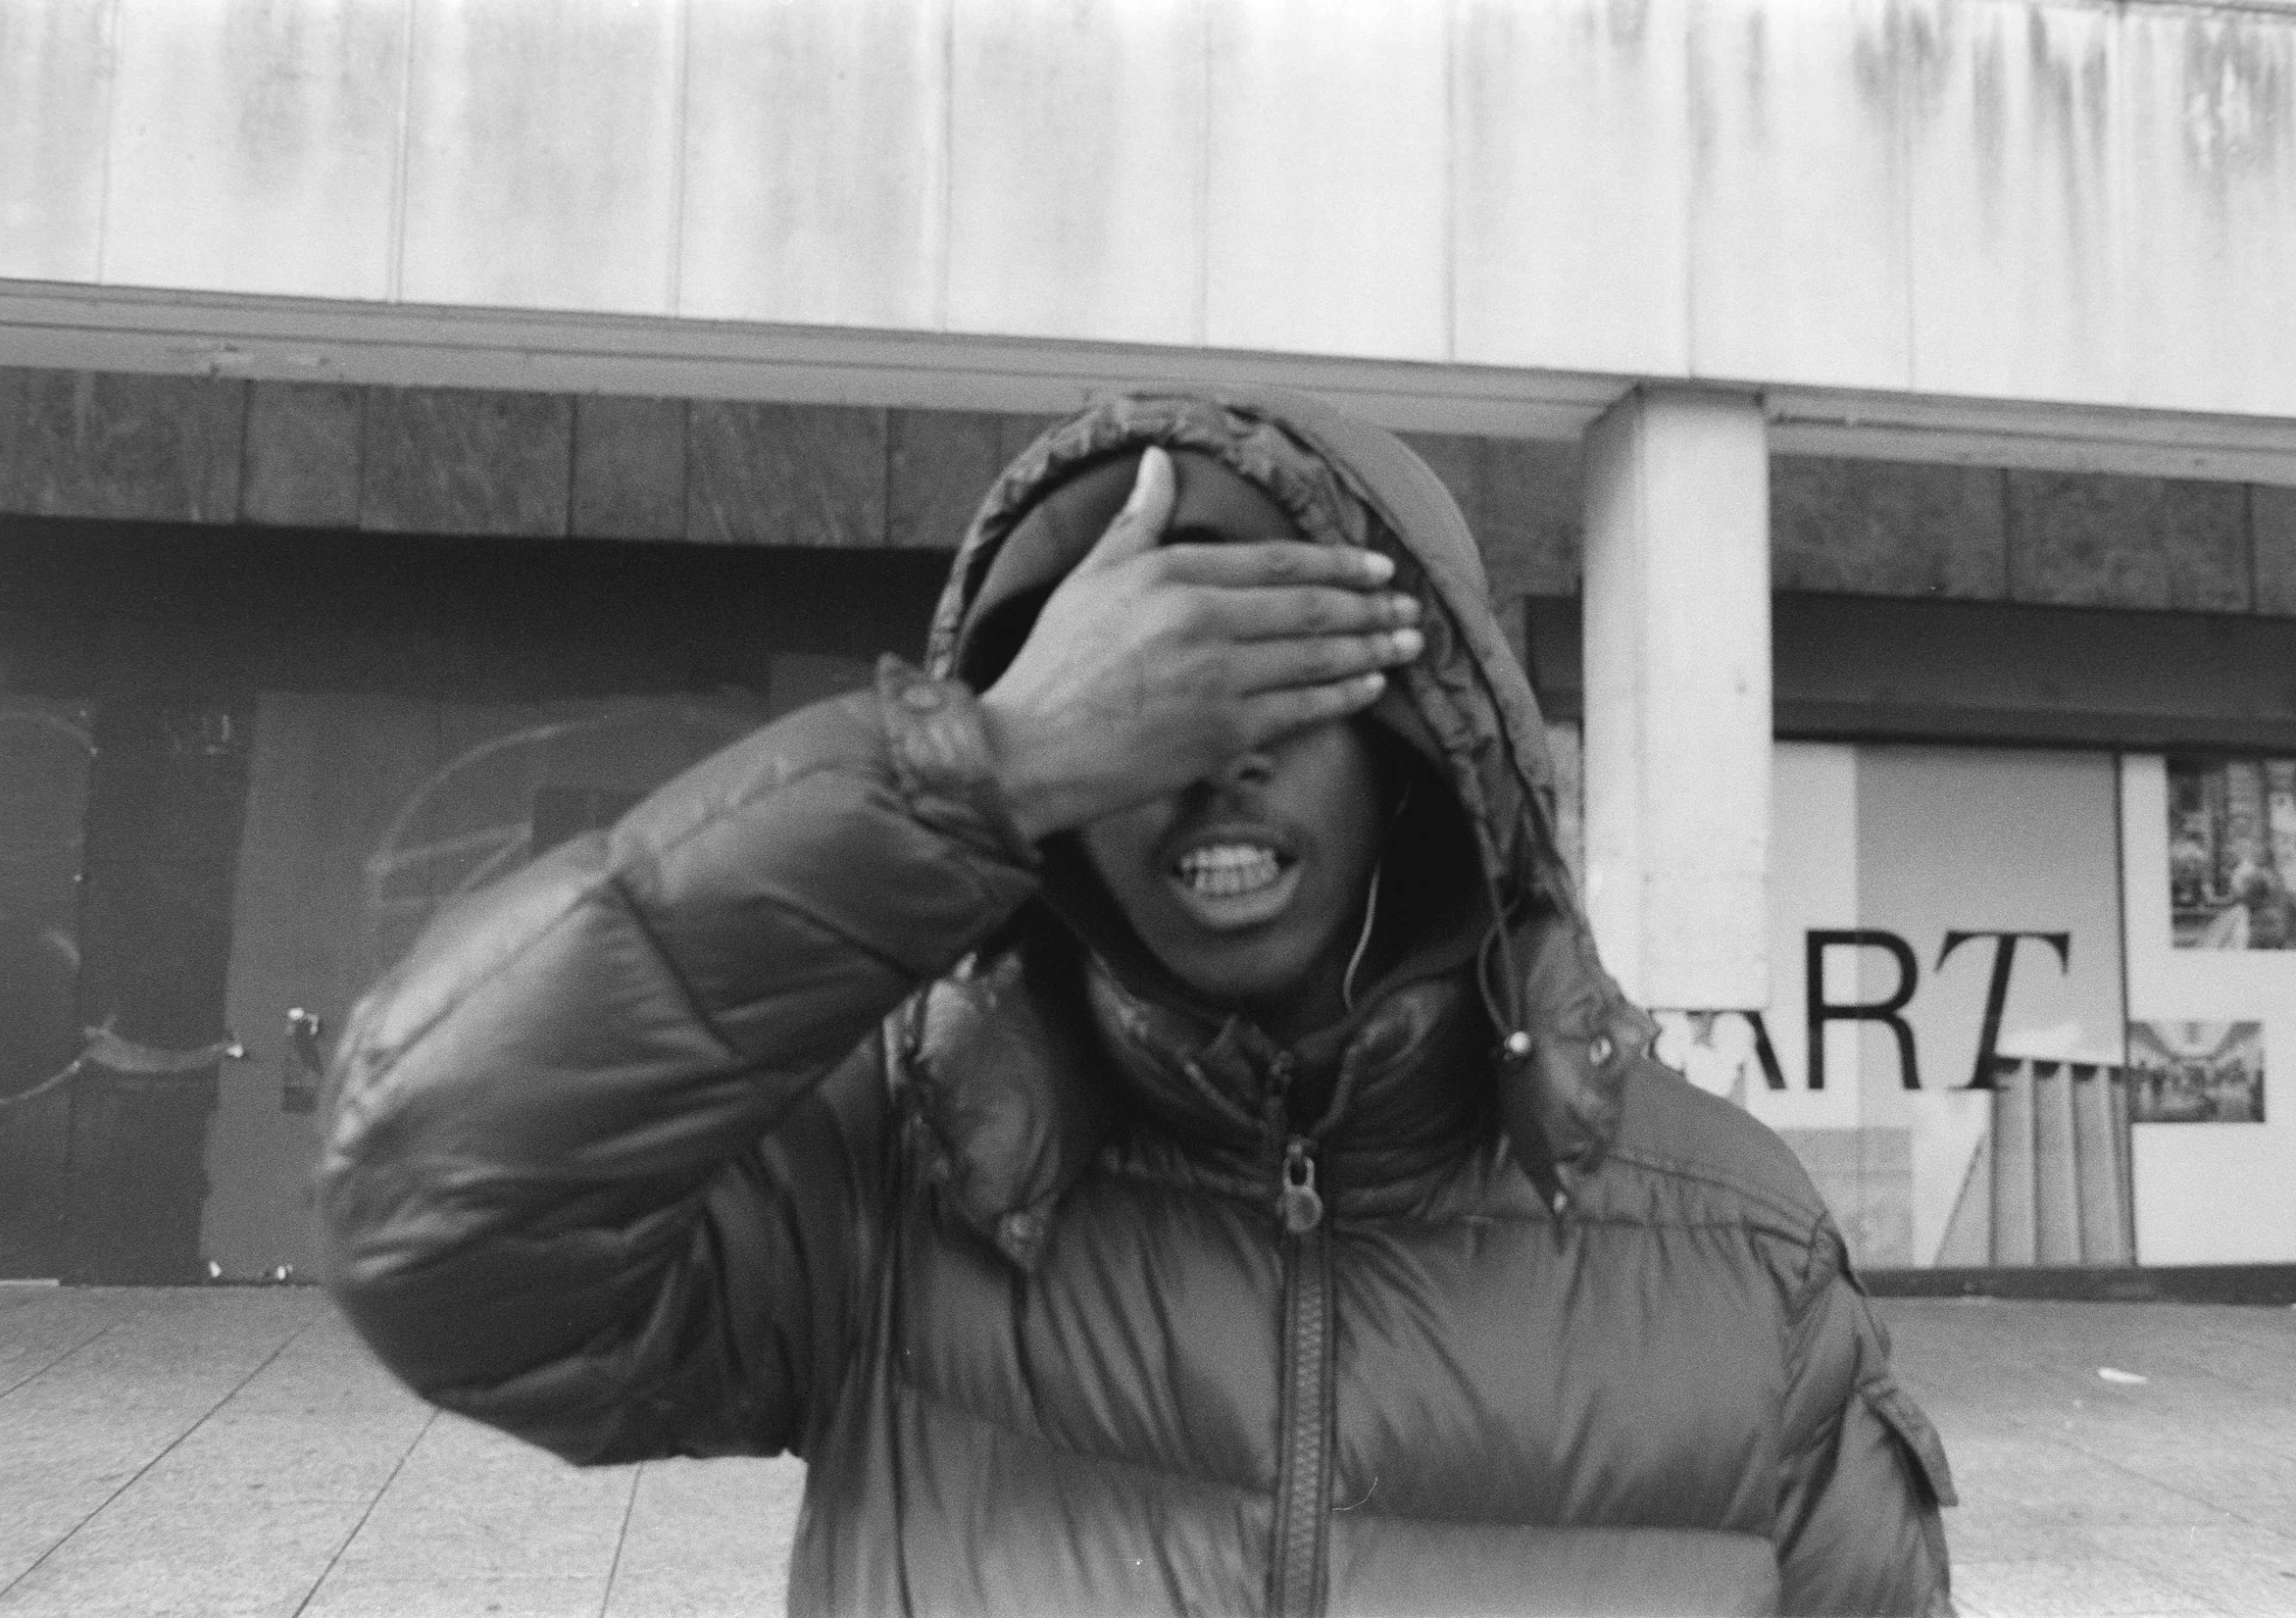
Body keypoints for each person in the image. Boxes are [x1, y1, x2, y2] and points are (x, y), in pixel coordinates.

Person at [318, 389, 1954, 1617]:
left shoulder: (1742, 1256)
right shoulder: (897, 1183)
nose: (1211, 758)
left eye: (1279, 681)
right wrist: (976, 770)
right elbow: (431, 1211)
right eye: (1142, 707)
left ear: (1416, 764)